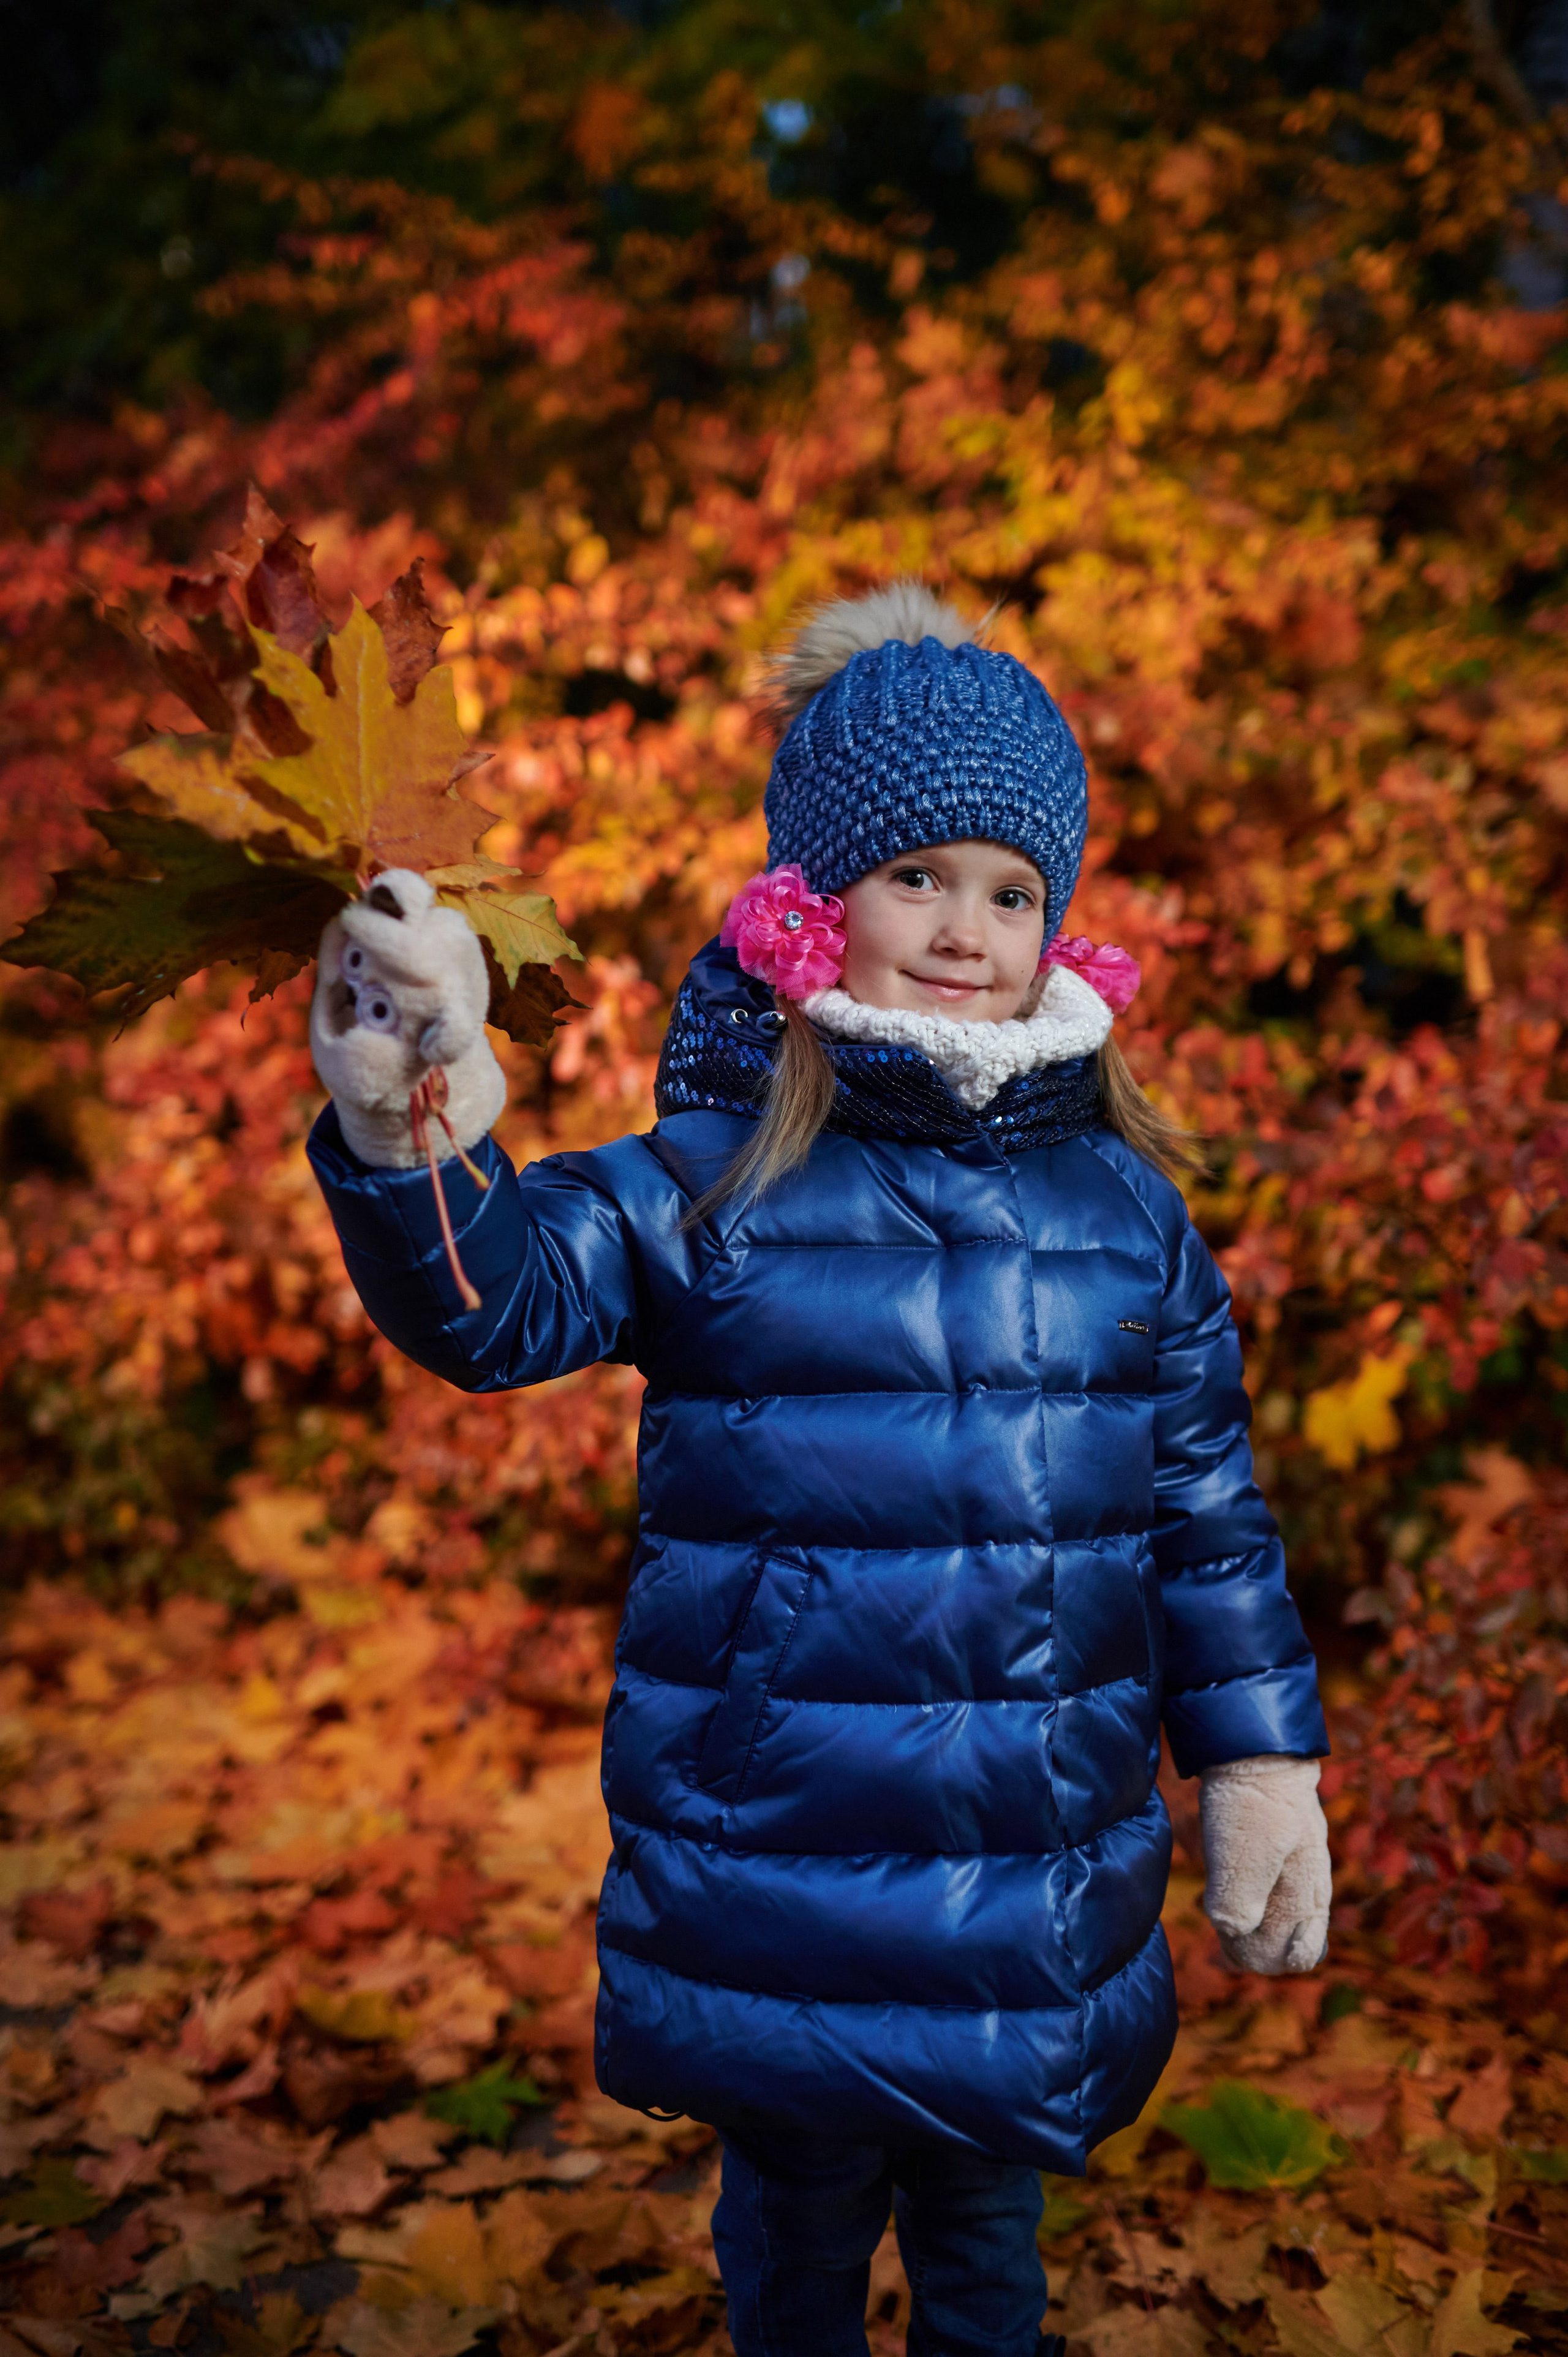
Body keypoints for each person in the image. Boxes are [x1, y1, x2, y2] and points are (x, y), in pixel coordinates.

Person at [306, 584, 1332, 2357]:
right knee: (790, 2252)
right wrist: (416, 1118)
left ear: (1057, 925)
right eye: (916, 878)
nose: (965, 928)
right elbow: (499, 1309)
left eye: (1011, 892)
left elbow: (1204, 1520)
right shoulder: (718, 1184)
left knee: (986, 2261)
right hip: (779, 1850)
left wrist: (1259, 1767)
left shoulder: (1125, 1217)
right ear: (816, 900)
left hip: (1028, 1867)